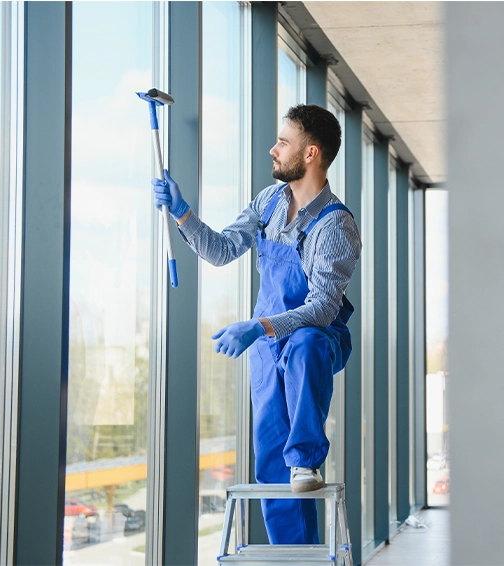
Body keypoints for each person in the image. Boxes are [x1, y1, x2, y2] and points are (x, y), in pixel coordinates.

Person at [152, 104, 361, 545]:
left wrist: (257, 326)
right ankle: (294, 555)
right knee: (269, 460)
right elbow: (223, 250)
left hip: (316, 341)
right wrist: (182, 212)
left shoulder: (335, 225)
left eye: (283, 142)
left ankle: (306, 457)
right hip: (268, 348)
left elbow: (322, 309)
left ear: (310, 153)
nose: (273, 148)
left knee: (305, 342)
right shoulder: (269, 202)